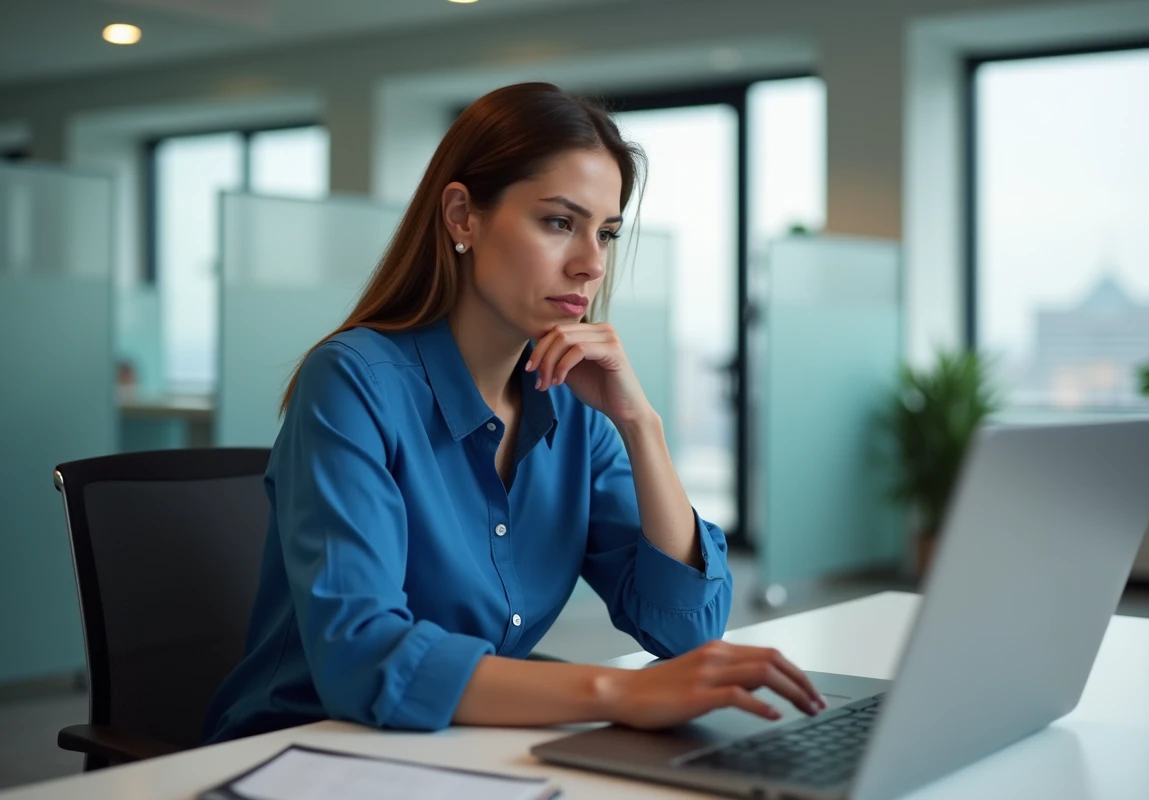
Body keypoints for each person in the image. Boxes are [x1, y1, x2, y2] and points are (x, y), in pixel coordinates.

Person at [203, 82, 823, 744]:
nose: (591, 265)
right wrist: (620, 690)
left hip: (467, 748)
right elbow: (361, 656)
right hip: (301, 747)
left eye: (606, 233)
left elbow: (689, 630)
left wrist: (642, 426)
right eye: (559, 223)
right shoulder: (353, 383)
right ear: (463, 215)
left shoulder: (573, 406)